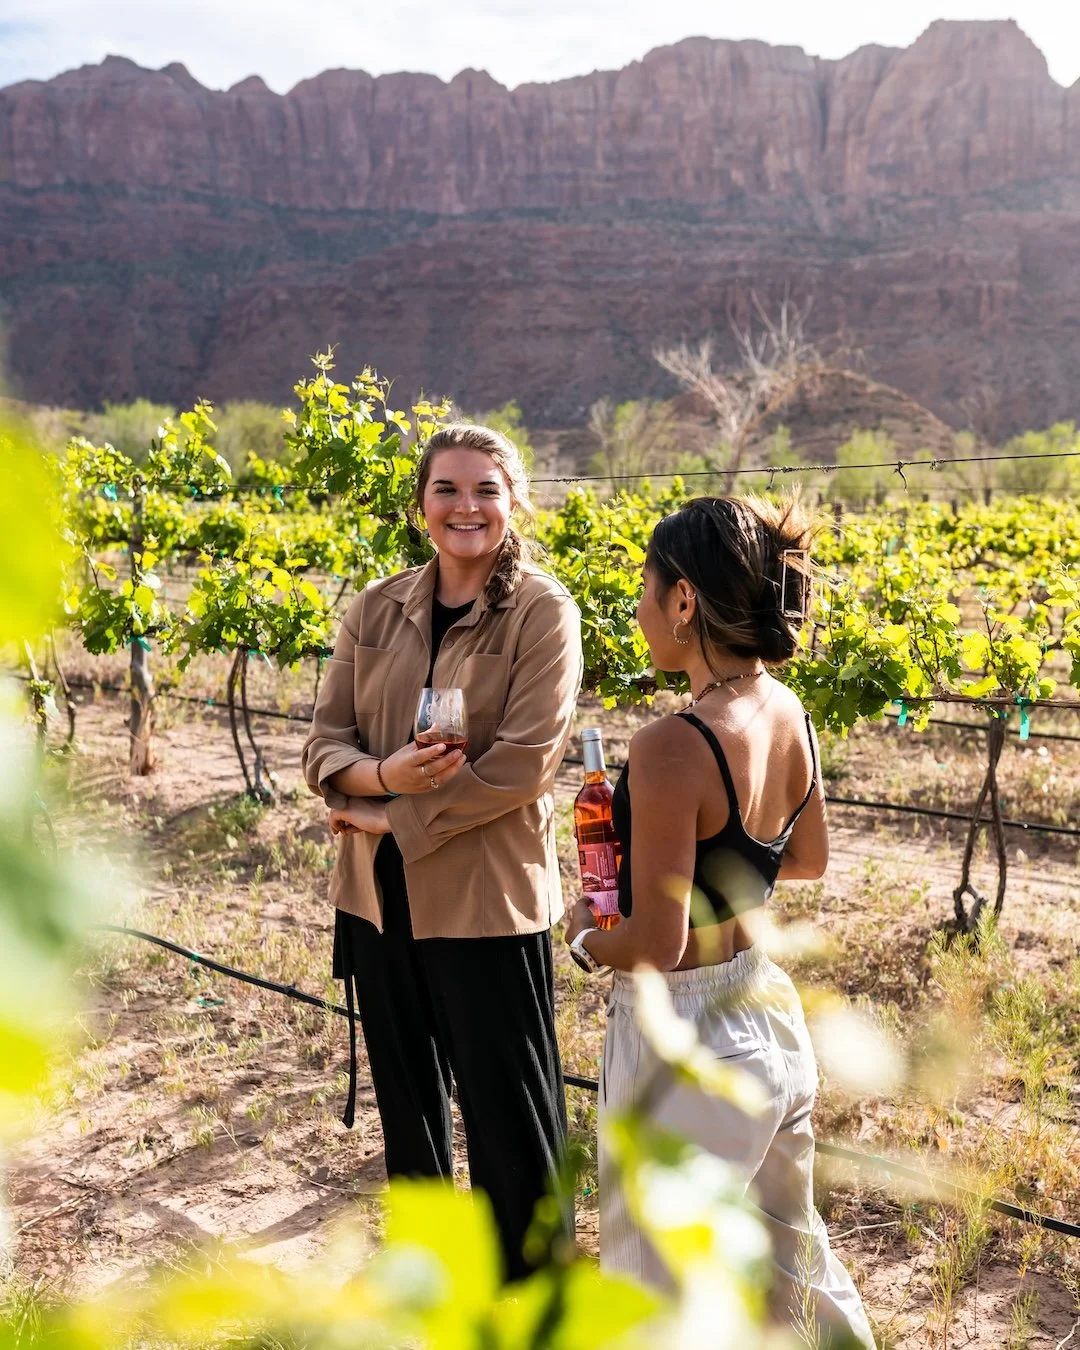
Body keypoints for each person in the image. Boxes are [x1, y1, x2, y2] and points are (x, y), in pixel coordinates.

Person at [564, 495, 875, 1347]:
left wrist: (585, 935)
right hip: (767, 1016)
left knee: (656, 1293)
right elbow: (805, 858)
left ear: (686, 599)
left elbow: (655, 948)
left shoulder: (674, 744)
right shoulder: (787, 710)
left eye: (644, 587)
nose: (635, 608)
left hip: (688, 1039)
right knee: (794, 1275)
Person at [302, 423, 583, 1281]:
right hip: (378, 899)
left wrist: (388, 816)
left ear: (514, 502)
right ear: (421, 504)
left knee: (510, 1118)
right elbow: (323, 749)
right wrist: (384, 772)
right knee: (411, 1117)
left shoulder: (543, 612)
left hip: (486, 900)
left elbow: (527, 763)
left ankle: (535, 1306)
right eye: (447, 489)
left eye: (485, 490)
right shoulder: (375, 607)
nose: (466, 506)